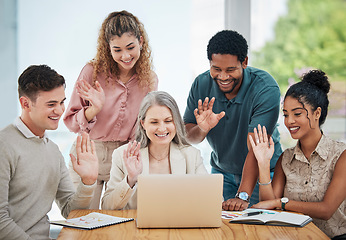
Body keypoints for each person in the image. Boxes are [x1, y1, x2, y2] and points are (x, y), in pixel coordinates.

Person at [63, 10, 158, 209]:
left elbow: (143, 123)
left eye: (130, 47)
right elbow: (71, 121)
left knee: (119, 219)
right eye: (117, 50)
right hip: (90, 151)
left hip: (124, 154)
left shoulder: (149, 79)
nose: (125, 56)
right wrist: (94, 109)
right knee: (82, 218)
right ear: (108, 48)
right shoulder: (92, 72)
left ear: (141, 41)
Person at [183, 30, 282, 210]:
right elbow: (189, 136)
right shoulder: (201, 84)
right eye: (216, 69)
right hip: (222, 173)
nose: (223, 77)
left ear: (244, 62)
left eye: (230, 70)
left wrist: (242, 195)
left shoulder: (265, 88)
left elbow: (256, 148)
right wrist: (202, 129)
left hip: (263, 175)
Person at [0, 65, 98, 240]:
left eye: (61, 102)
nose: (60, 111)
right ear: (25, 103)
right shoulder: (4, 146)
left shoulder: (52, 150)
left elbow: (70, 211)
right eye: (51, 104)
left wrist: (88, 182)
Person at [250, 70, 345, 239]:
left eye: (297, 114)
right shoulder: (285, 158)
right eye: (286, 114)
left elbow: (326, 210)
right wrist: (263, 164)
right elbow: (269, 207)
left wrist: (282, 203)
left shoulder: (340, 156)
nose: (289, 121)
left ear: (317, 113)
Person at [102, 91, 208, 210]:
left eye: (168, 121)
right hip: (136, 227)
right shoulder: (122, 155)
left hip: (178, 226)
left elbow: (212, 200)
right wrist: (130, 180)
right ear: (143, 124)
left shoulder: (191, 155)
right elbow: (107, 206)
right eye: (154, 122)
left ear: (176, 123)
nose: (162, 128)